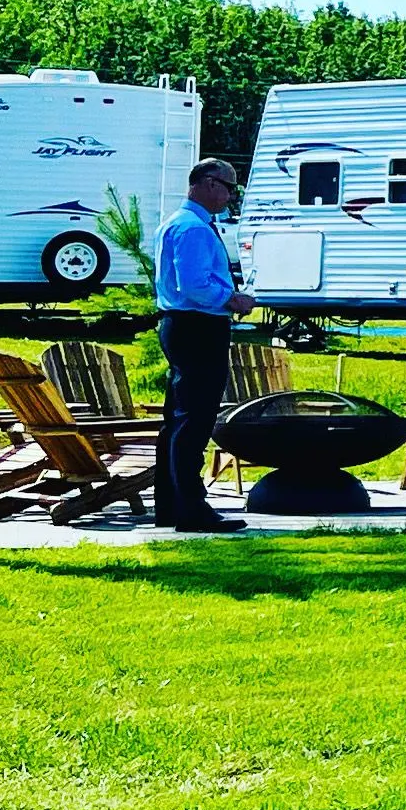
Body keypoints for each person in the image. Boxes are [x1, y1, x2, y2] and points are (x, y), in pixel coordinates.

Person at [152, 159, 248, 533]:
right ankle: (192, 508)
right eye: (228, 187)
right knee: (195, 418)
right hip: (198, 325)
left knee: (177, 418)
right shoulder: (193, 229)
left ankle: (171, 505)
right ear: (208, 184)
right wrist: (232, 299)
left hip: (179, 324)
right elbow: (194, 286)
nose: (230, 196)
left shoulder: (175, 223)